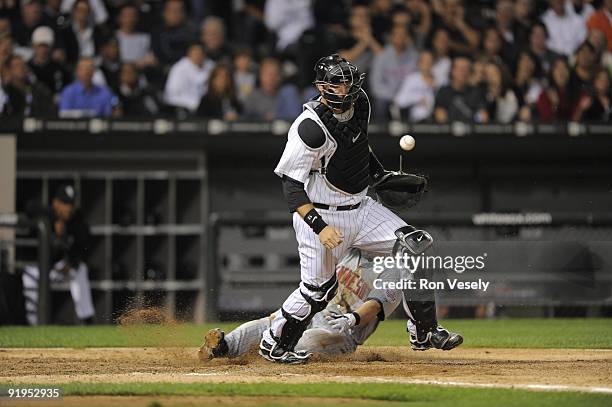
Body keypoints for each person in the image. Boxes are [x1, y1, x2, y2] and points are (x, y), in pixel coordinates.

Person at [259, 54, 460, 364]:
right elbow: (291, 186)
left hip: (362, 208)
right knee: (318, 291)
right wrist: (319, 227)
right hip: (321, 214)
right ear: (322, 87)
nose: (346, 87)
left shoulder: (361, 103)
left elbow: (358, 147)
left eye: (349, 81)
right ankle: (275, 343)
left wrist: (380, 176)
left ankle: (424, 330)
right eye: (338, 83)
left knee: (416, 245)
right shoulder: (309, 128)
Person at [199, 248, 463, 360]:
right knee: (271, 322)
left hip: (342, 331)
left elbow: (376, 304)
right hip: (318, 311)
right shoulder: (351, 251)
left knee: (318, 338)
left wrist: (352, 319)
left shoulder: (395, 269)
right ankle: (225, 347)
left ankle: (274, 354)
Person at [22, 184, 95, 325]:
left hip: (59, 269)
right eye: (65, 203)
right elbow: (29, 207)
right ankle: (31, 324)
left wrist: (72, 262)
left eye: (71, 204)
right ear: (56, 202)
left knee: (81, 270)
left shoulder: (76, 220)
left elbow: (85, 242)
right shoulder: (46, 214)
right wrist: (54, 217)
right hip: (39, 269)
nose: (68, 208)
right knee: (28, 278)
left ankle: (87, 319)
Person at [369, 24, 418, 119]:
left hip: (407, 97)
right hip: (387, 97)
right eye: (397, 34)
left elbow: (417, 79)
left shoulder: (414, 56)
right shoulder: (381, 56)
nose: (400, 37)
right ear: (391, 37)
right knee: (380, 102)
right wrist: (394, 97)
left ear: (407, 38)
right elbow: (375, 86)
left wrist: (404, 96)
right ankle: (379, 132)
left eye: (403, 35)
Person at [163, 43, 214, 114]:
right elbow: (173, 94)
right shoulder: (179, 68)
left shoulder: (210, 65)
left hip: (205, 106)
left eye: (200, 53)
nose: (198, 56)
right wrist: (196, 104)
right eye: (195, 53)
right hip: (182, 106)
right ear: (189, 54)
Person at [433, 57, 488, 123]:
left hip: (472, 130)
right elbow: (440, 116)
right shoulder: (443, 92)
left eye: (466, 69)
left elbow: (483, 116)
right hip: (449, 130)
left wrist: (470, 124)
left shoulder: (476, 92)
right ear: (452, 71)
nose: (463, 72)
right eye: (461, 69)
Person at [393, 50, 438, 122]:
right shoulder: (411, 79)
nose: (427, 63)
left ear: (433, 63)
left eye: (429, 61)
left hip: (434, 119)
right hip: (414, 120)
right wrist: (418, 99)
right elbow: (399, 101)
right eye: (424, 61)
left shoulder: (439, 80)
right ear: (418, 63)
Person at [28, 26, 70, 97]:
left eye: (46, 46)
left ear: (51, 47)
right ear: (33, 46)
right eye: (40, 46)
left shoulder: (59, 68)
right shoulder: (27, 67)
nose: (43, 49)